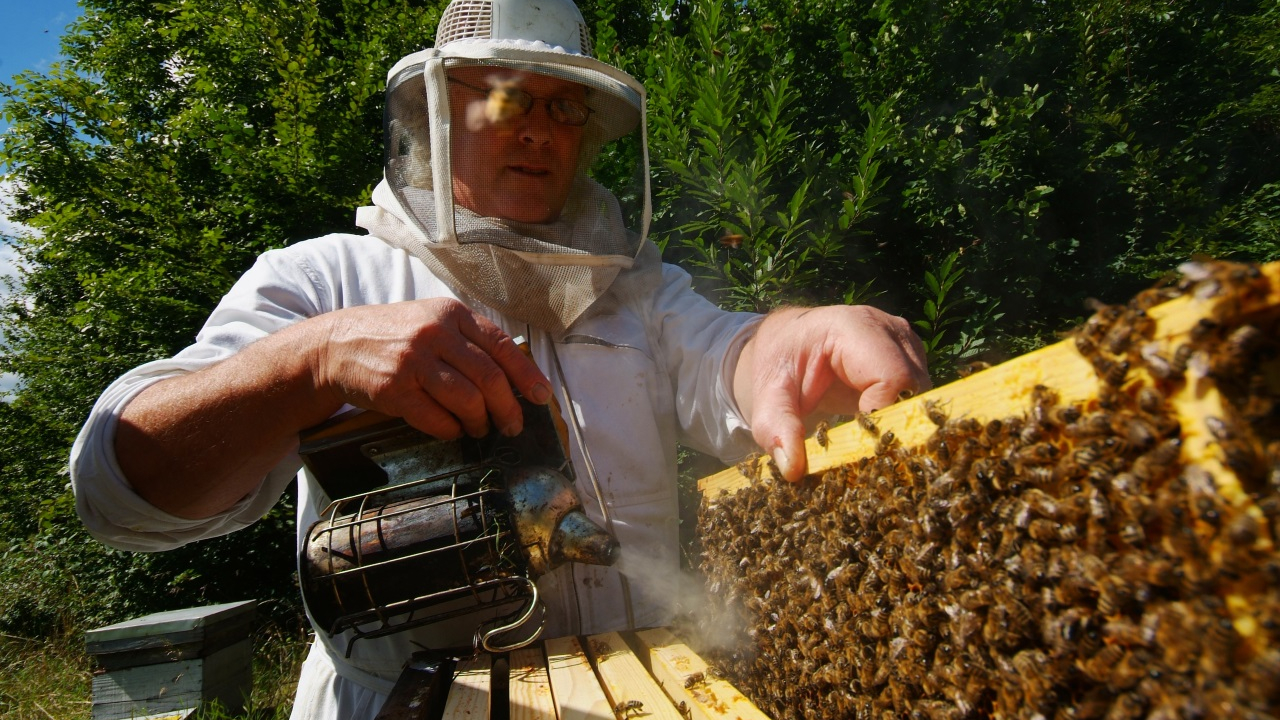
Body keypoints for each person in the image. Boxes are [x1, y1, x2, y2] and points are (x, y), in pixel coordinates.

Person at [70, 0, 929, 717]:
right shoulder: (323, 280)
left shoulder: (636, 290)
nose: (543, 133)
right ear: (433, 115)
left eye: (567, 108)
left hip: (640, 693)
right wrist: (308, 365)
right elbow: (118, 488)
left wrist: (785, 339)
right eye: (512, 99)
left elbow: (721, 355)